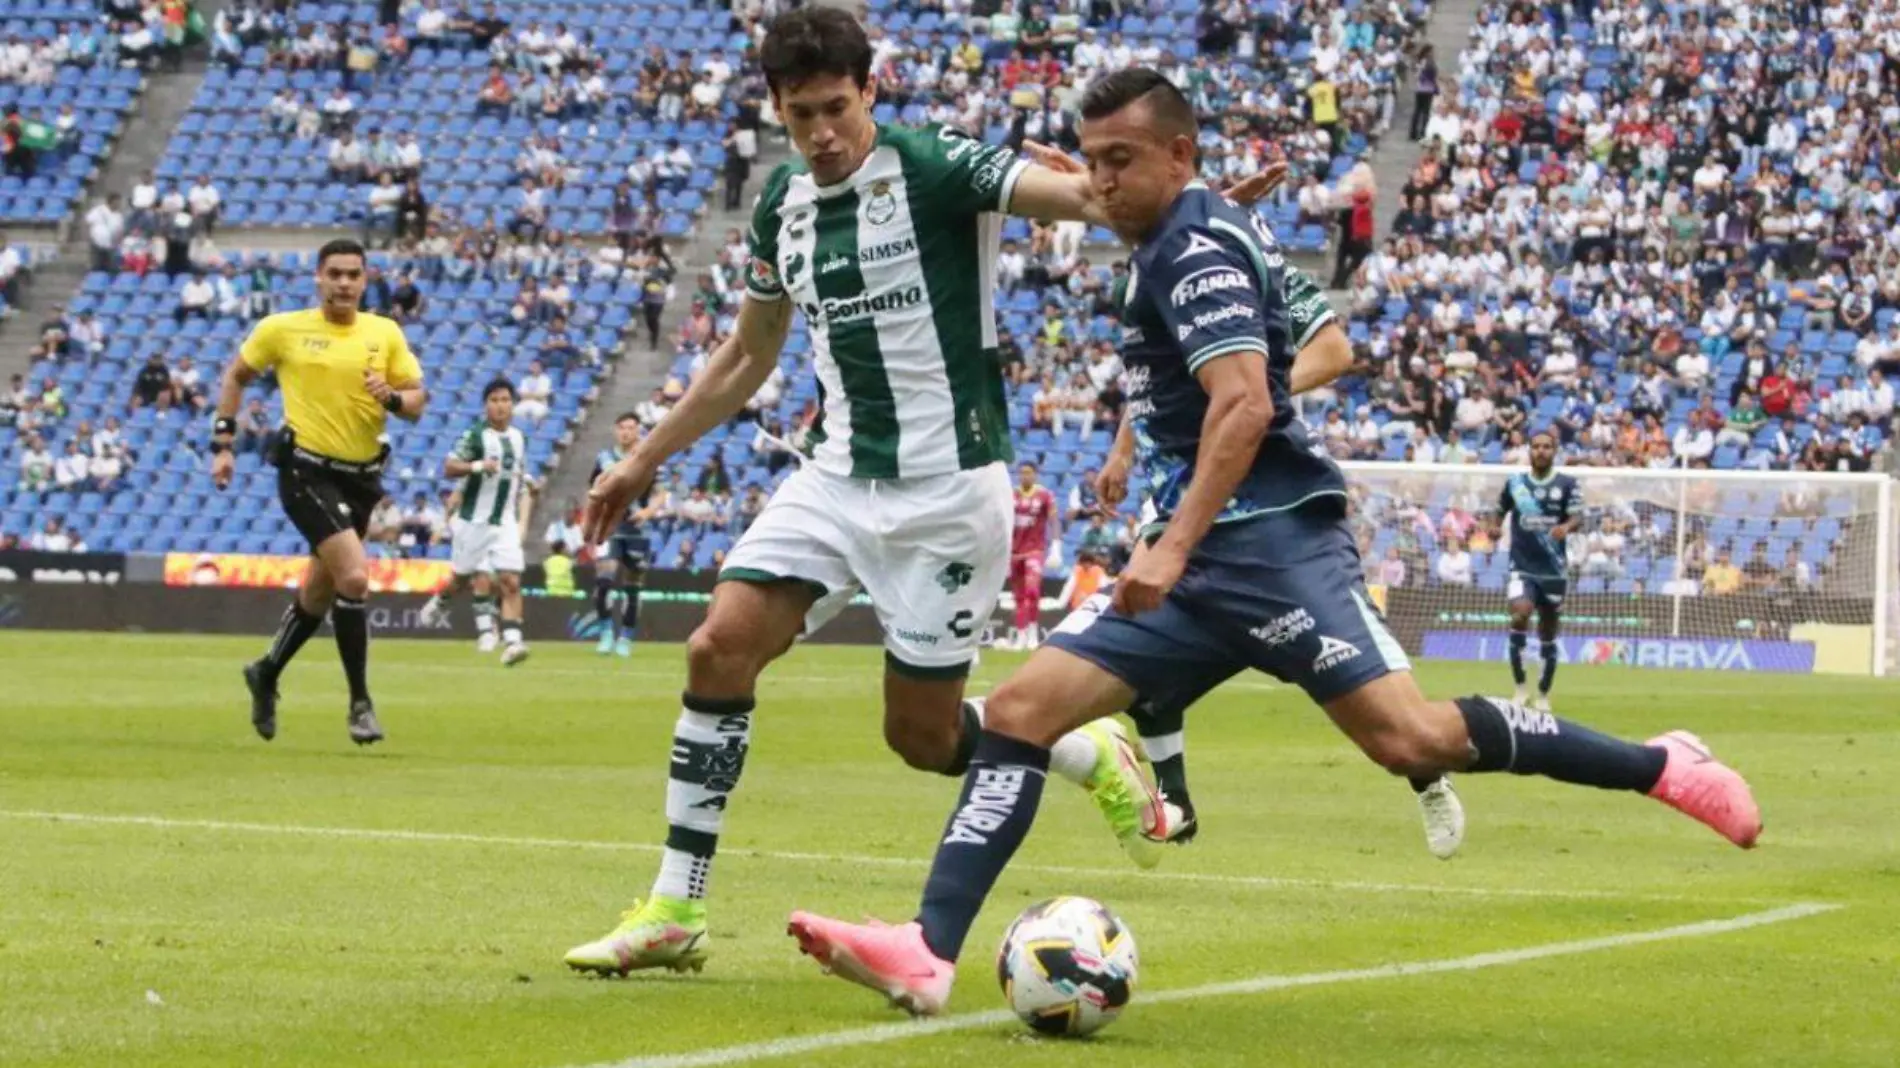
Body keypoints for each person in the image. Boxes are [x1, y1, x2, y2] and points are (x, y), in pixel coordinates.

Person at [782, 69, 1762, 1015]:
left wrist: (1165, 549)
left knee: (1410, 740)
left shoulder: (1192, 250)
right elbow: (1185, 262)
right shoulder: (1182, 220)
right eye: (1090, 161)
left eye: (1119, 160)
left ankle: (1660, 764)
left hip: (1276, 552)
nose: (1099, 180)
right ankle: (928, 950)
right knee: (1021, 714)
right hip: (1203, 567)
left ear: (1178, 154)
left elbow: (1245, 405)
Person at [567, 10, 1277, 979]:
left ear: (869, 91)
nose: (820, 132)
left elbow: (1079, 198)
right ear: (776, 109)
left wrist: (1182, 207)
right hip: (831, 478)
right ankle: (675, 907)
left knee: (923, 738)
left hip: (948, 493)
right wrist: (641, 458)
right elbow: (747, 353)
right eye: (799, 114)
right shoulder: (784, 205)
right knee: (717, 646)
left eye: (835, 107)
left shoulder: (938, 167)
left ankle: (1080, 750)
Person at [208, 238, 426, 746]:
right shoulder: (283, 329)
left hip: (362, 476)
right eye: (335, 274)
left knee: (319, 590)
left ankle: (266, 671)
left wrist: (392, 397)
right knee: (354, 576)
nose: (344, 283)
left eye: (354, 274)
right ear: (318, 278)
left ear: (366, 280)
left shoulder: (384, 333)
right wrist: (223, 443)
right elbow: (235, 376)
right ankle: (360, 703)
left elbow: (417, 402)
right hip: (305, 470)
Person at [418, 378, 534, 664]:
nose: (500, 406)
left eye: (505, 400)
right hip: (474, 522)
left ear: (513, 404)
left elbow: (516, 473)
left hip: (504, 521)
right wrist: (478, 466)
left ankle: (512, 642)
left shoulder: (520, 438)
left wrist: (529, 484)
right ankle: (441, 601)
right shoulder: (475, 436)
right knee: (461, 579)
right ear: (485, 406)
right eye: (494, 400)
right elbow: (449, 466)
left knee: (510, 580)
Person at [1493, 432, 1580, 712]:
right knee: (1520, 614)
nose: (1541, 451)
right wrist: (1494, 527)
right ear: (1529, 451)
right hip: (1521, 567)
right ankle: (1519, 688)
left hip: (1554, 569)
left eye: (1546, 447)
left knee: (1548, 630)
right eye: (1536, 447)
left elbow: (1578, 515)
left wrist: (1566, 527)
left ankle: (1542, 693)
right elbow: (1498, 510)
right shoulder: (1515, 484)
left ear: (1554, 451)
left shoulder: (1567, 484)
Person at [588, 412, 655, 657]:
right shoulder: (604, 458)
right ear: (615, 431)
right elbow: (594, 490)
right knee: (604, 581)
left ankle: (626, 637)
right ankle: (606, 632)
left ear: (638, 431)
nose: (626, 432)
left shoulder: (648, 458)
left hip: (638, 530)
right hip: (610, 528)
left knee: (633, 587)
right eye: (622, 428)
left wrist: (648, 511)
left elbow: (661, 491)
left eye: (631, 428)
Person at [1006, 461, 1058, 650]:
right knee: (1018, 596)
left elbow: (1053, 520)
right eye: (1021, 473)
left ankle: (1033, 632)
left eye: (1028, 473)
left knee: (1033, 591)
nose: (1024, 476)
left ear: (1035, 474)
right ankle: (1020, 635)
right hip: (1014, 552)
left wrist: (1056, 546)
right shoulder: (1011, 495)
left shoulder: (1044, 495)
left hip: (1035, 550)